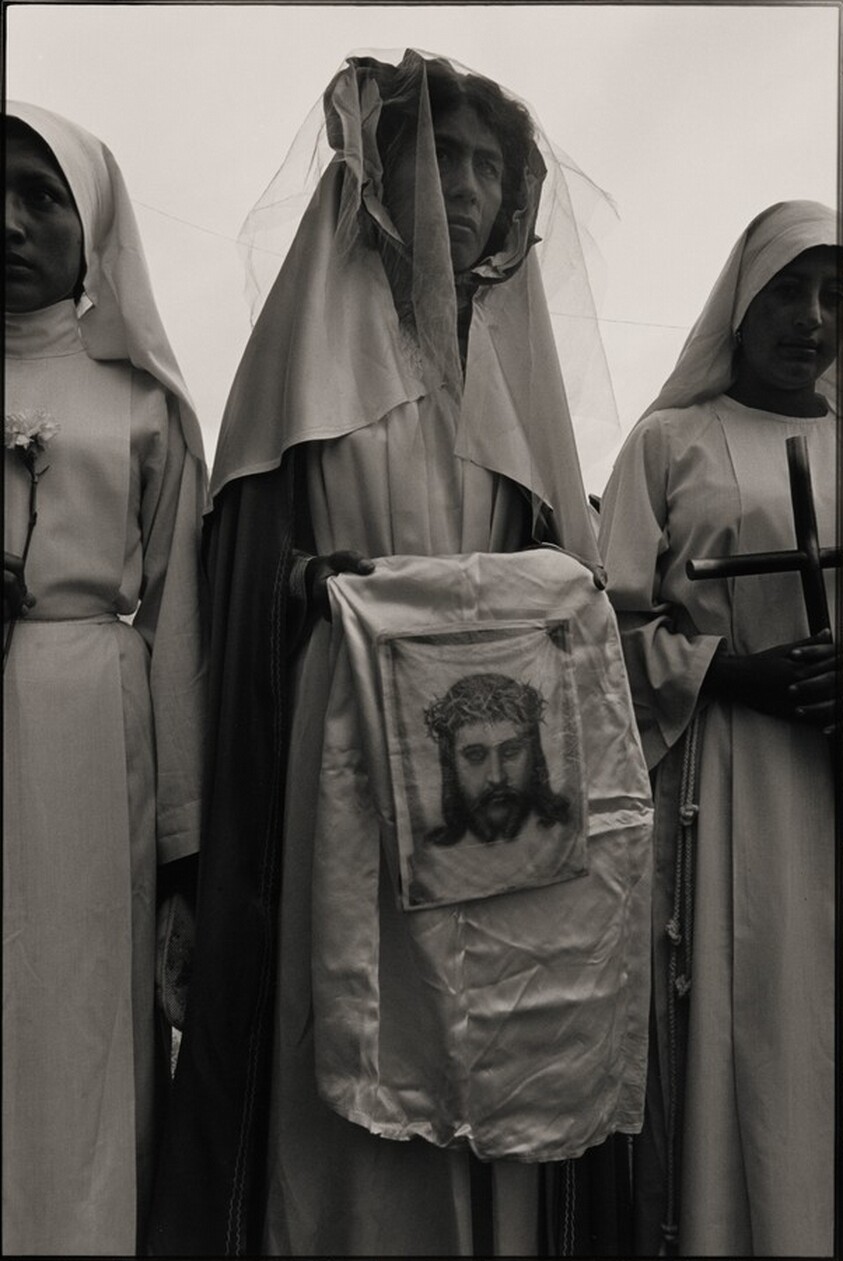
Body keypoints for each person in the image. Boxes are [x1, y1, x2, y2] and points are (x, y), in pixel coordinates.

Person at [148, 51, 650, 1257]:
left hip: (500, 757)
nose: (465, 184)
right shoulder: (301, 366)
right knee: (354, 1007)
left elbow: (575, 587)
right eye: (441, 155)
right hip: (347, 743)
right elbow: (241, 597)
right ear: (380, 173)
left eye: (487, 163)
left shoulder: (515, 376)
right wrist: (325, 593)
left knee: (504, 1000)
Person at [597, 200, 838, 1257]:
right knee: (739, 1023)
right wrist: (732, 672)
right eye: (789, 288)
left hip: (832, 767)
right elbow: (603, 626)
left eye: (835, 295)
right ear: (739, 301)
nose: (813, 317)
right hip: (719, 775)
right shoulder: (669, 442)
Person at [3, 104, 207, 1255]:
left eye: (42, 195)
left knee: (79, 1018)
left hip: (89, 736)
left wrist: (184, 840)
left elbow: (180, 622)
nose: (11, 219)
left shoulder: (143, 400)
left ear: (94, 225)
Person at [424, 672, 571, 845]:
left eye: (511, 752)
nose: (497, 778)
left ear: (534, 754)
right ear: (451, 764)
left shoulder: (565, 836)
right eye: (475, 756)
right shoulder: (431, 855)